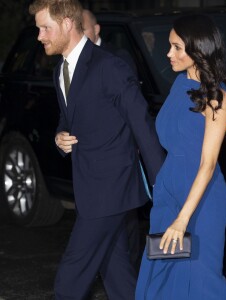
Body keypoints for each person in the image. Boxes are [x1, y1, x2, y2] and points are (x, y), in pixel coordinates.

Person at [29, 1, 165, 299]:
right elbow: (67, 120)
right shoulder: (59, 72)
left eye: (45, 28)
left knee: (70, 278)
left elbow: (141, 125)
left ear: (67, 24)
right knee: (118, 277)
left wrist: (164, 185)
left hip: (111, 190)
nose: (40, 36)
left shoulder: (110, 66)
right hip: (88, 190)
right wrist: (59, 137)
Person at [136, 14, 226, 299]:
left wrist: (182, 218)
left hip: (201, 202)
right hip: (169, 194)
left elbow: (208, 163)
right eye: (170, 45)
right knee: (162, 278)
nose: (168, 53)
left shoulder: (217, 97)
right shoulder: (178, 86)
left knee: (200, 282)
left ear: (198, 48)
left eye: (177, 47)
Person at [81, 8, 141, 272]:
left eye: (84, 28)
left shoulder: (116, 59)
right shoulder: (70, 64)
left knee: (126, 229)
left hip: (118, 160)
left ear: (96, 30)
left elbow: (132, 112)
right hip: (90, 166)